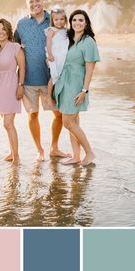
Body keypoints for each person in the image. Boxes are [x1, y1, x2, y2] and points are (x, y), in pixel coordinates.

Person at [14, 0, 71, 161]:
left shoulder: (53, 19)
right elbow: (14, 47)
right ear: (27, 4)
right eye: (31, 1)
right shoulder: (21, 23)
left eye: (37, 0)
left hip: (51, 78)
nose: (34, 4)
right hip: (29, 78)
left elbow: (68, 40)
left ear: (43, 1)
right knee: (32, 115)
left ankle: (54, 147)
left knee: (59, 114)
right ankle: (39, 150)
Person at [54, 9, 100, 166]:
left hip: (76, 86)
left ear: (86, 23)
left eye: (81, 20)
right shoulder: (69, 38)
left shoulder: (88, 41)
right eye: (74, 20)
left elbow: (90, 69)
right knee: (74, 122)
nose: (77, 23)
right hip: (64, 84)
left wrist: (84, 91)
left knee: (68, 122)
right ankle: (76, 156)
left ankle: (89, 152)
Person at [0, 18, 25, 166]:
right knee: (6, 123)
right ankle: (12, 152)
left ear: (8, 30)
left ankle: (16, 157)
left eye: (3, 29)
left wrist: (21, 85)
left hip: (12, 86)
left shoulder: (15, 47)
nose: (0, 32)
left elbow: (22, 67)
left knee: (8, 123)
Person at [45, 7, 69, 107]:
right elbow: (48, 43)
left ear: (65, 20)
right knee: (54, 75)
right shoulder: (52, 30)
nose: (59, 22)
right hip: (54, 56)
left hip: (63, 56)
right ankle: (49, 96)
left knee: (62, 75)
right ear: (52, 20)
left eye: (61, 19)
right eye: (56, 19)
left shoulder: (66, 30)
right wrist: (49, 54)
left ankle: (60, 96)